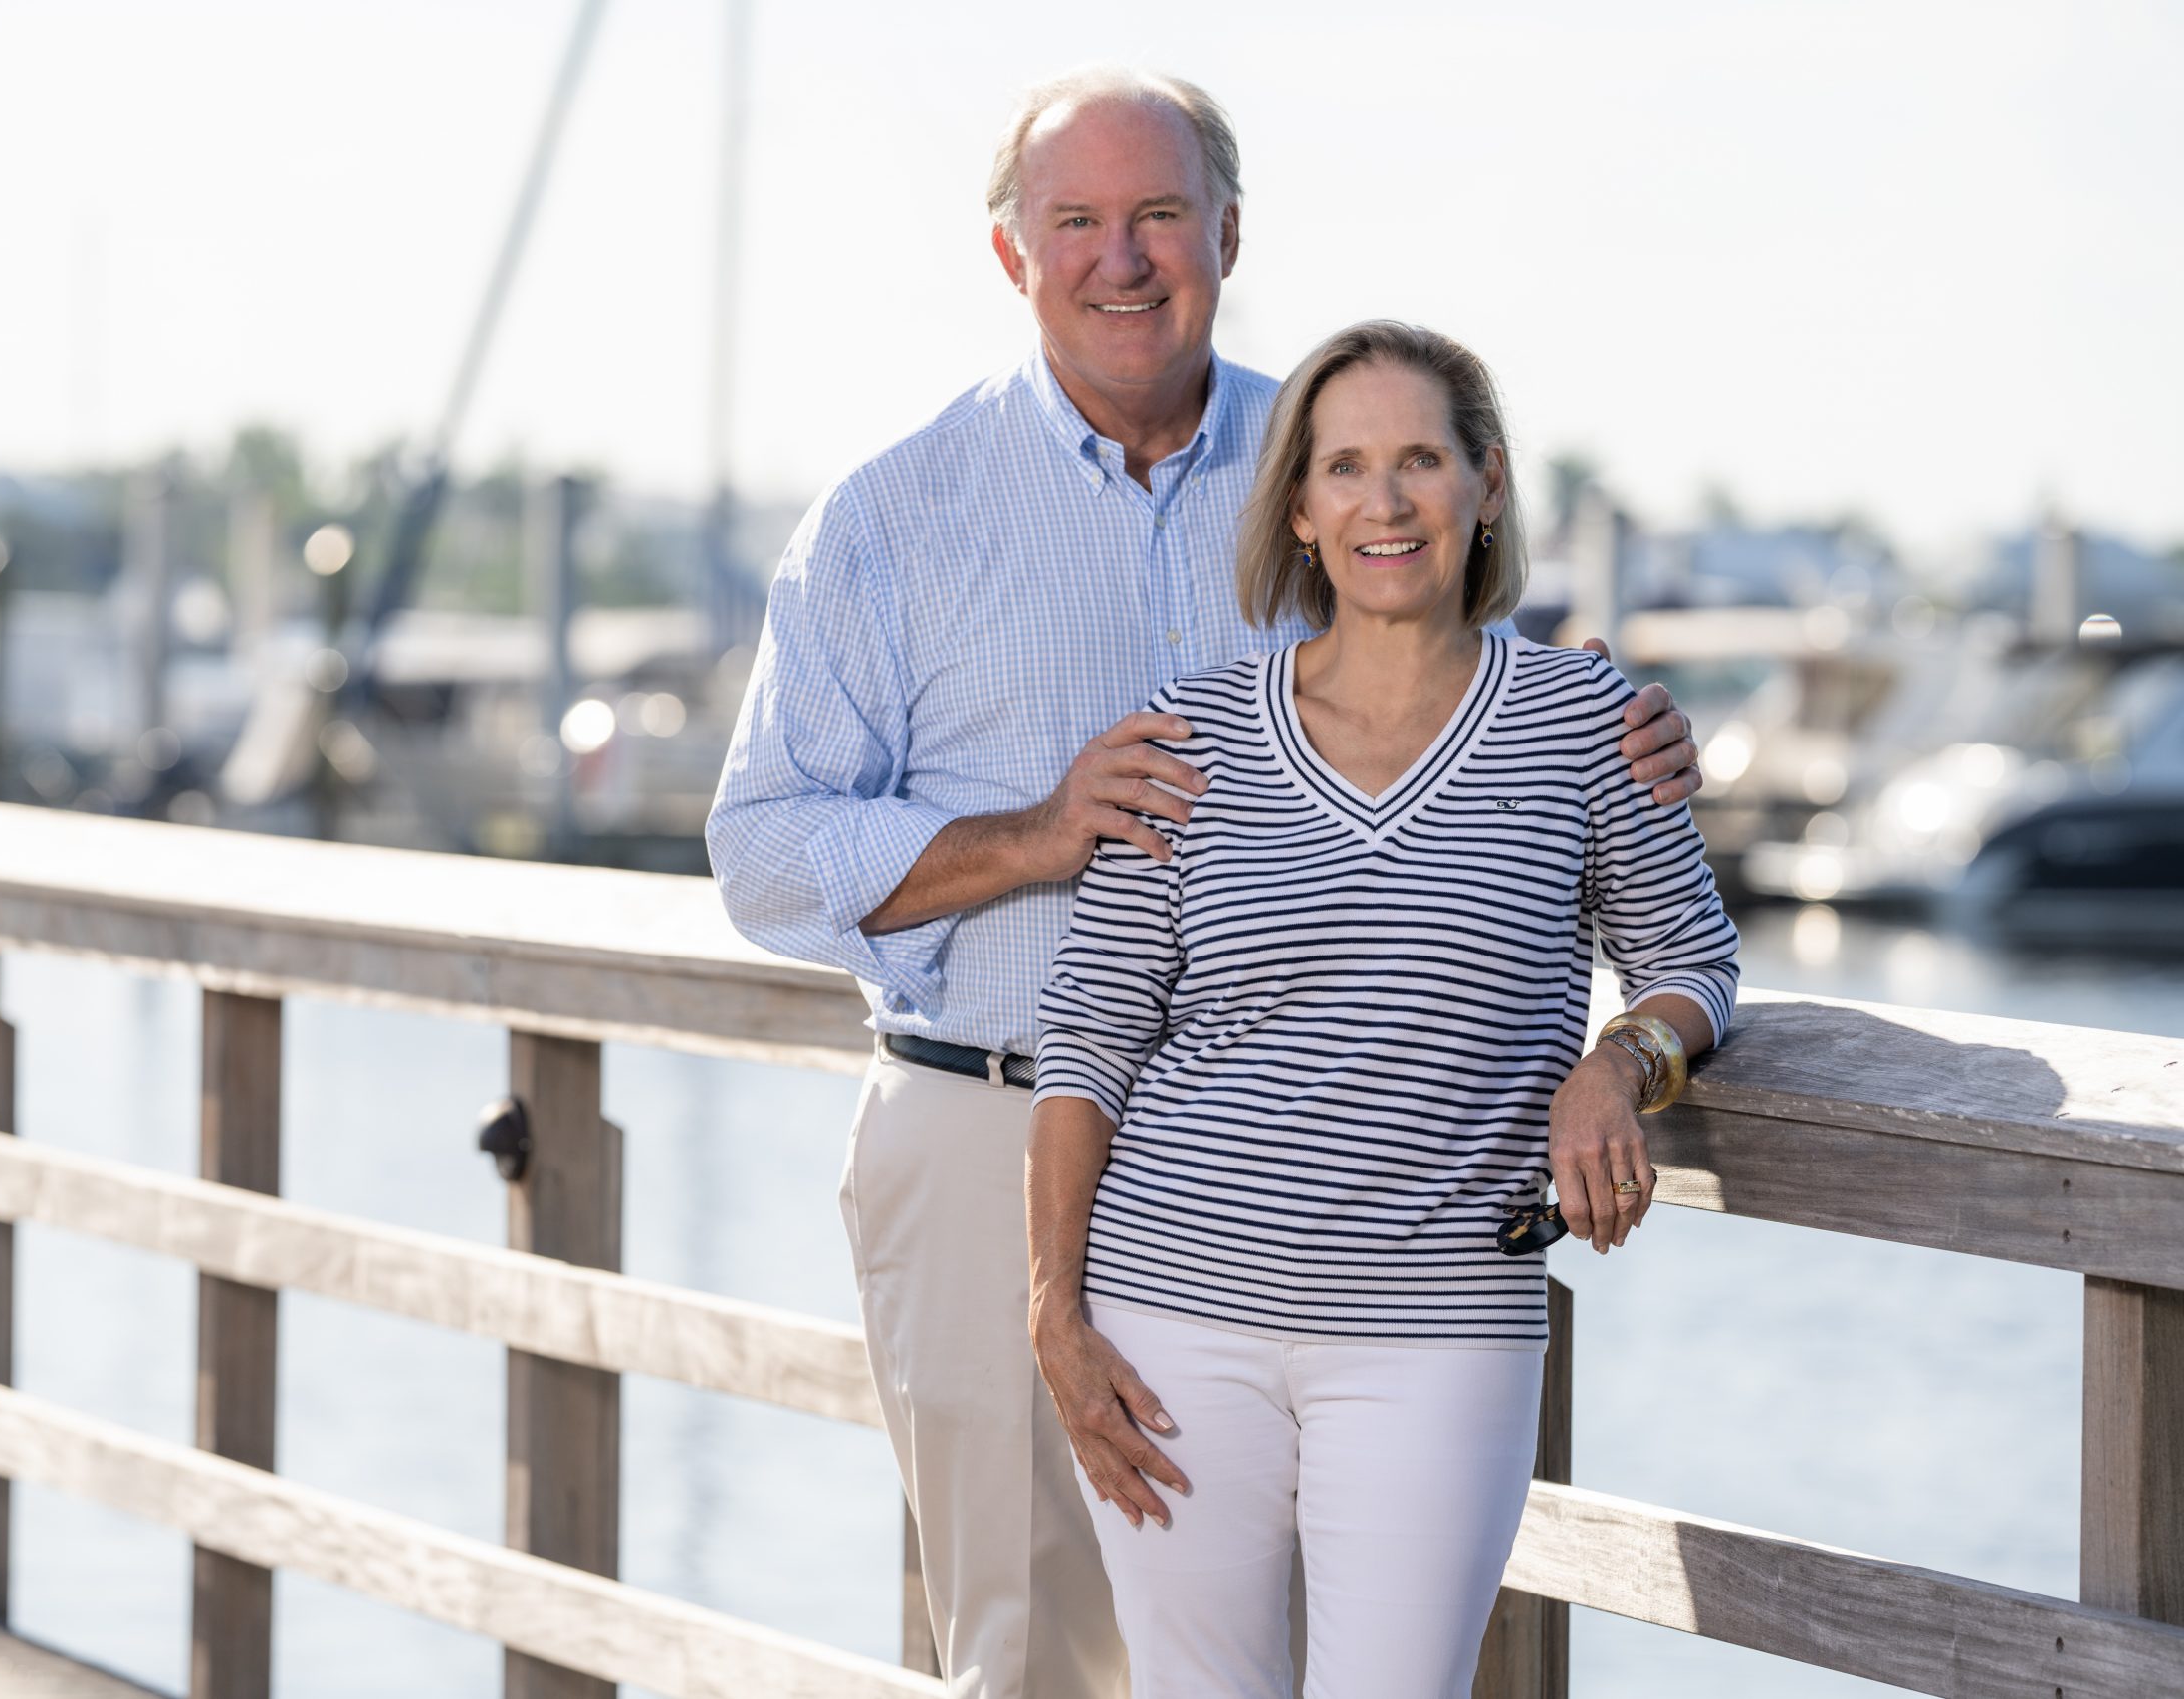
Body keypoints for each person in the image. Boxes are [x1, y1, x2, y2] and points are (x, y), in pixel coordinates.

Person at [706, 67, 1702, 1698]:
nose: (1122, 257)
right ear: (1012, 255)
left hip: (1335, 1206)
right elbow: (759, 852)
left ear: (1228, 232)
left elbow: (1492, 713)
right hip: (988, 1127)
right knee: (1030, 1655)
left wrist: (1645, 739)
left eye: (1159, 213)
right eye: (1076, 221)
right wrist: (1036, 834)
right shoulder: (892, 518)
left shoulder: (1339, 462)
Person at [1026, 319, 1741, 1696]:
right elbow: (1093, 1036)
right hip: (1172, 1314)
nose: (1385, 500)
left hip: (1438, 1325)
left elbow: (1691, 964)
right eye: (1345, 466)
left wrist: (1616, 1065)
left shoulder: (1589, 725)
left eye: (1421, 459)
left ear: (1488, 485)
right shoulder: (1190, 734)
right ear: (1298, 507)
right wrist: (1055, 1316)